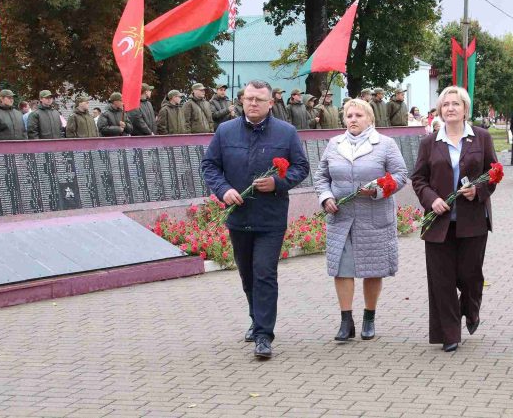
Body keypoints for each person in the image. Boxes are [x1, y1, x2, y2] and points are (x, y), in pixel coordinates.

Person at [201, 80, 310, 359]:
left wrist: (277, 182)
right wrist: (224, 191)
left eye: (259, 100)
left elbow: (301, 167)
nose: (252, 103)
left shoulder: (286, 133)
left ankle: (264, 335)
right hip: (238, 215)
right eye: (248, 98)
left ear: (270, 103)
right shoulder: (226, 131)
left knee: (264, 272)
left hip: (270, 218)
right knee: (247, 273)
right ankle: (255, 317)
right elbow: (210, 166)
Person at [411, 86, 498, 352]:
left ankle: (471, 310)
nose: (450, 108)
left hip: (473, 220)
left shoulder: (481, 138)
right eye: (445, 104)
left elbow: (493, 173)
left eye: (455, 104)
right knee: (442, 279)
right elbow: (418, 179)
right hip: (439, 222)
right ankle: (449, 333)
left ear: (465, 109)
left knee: (470, 276)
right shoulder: (429, 142)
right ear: (440, 110)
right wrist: (431, 199)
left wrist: (478, 190)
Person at [313, 98, 408, 341]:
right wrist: (326, 198)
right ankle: (346, 321)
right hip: (341, 217)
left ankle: (369, 317)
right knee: (342, 269)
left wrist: (378, 189)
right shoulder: (334, 144)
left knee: (372, 269)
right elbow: (322, 175)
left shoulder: (385, 144)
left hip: (373, 216)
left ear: (370, 118)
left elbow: (400, 175)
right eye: (349, 116)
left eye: (358, 115)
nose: (353, 119)